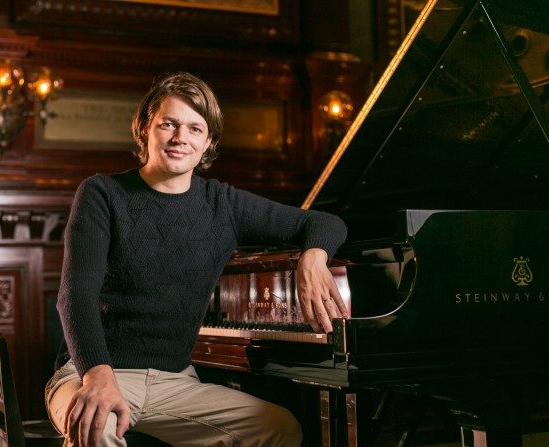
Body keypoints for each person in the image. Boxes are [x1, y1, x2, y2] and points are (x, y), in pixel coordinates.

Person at [46, 71, 348, 447]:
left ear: (208, 142)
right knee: (97, 427)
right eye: (168, 124)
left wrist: (313, 259)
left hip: (175, 381)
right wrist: (97, 375)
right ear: (144, 130)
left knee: (280, 428)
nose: (180, 138)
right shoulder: (102, 194)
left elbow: (324, 222)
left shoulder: (223, 204)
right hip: (90, 371)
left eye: (194, 128)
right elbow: (74, 297)